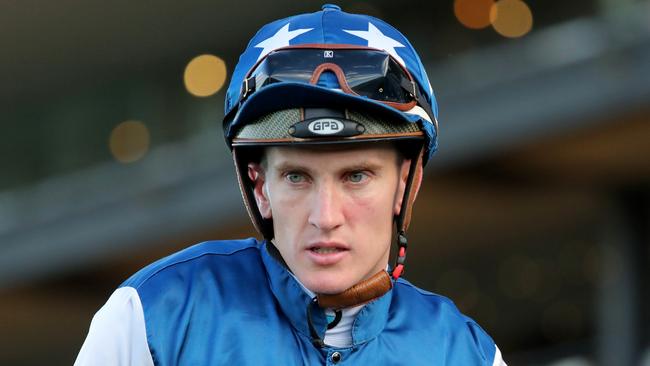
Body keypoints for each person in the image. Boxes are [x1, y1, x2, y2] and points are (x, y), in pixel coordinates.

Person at [75, 4, 506, 365]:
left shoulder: (466, 354)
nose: (325, 217)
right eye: (296, 177)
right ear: (259, 187)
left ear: (405, 184)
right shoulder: (153, 315)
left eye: (356, 176)